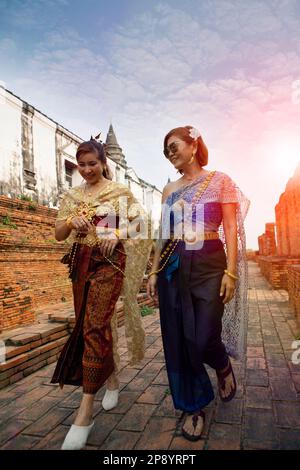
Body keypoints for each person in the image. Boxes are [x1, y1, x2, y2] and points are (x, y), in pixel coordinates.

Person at [147, 126, 249, 442]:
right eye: (166, 150)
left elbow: (230, 227)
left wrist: (231, 272)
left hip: (209, 261)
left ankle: (221, 365)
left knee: (204, 336)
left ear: (193, 146)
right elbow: (162, 234)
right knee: (179, 337)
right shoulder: (169, 190)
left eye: (174, 146)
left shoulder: (221, 181)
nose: (170, 153)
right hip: (174, 265)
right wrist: (152, 272)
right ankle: (193, 405)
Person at [51, 138, 152, 450]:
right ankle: (112, 379)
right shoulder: (73, 194)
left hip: (109, 263)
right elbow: (58, 234)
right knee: (91, 325)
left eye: (92, 163)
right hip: (81, 263)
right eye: (81, 165)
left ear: (103, 162)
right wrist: (71, 220)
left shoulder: (118, 193)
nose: (86, 170)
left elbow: (140, 223)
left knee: (95, 325)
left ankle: (85, 413)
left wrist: (117, 233)